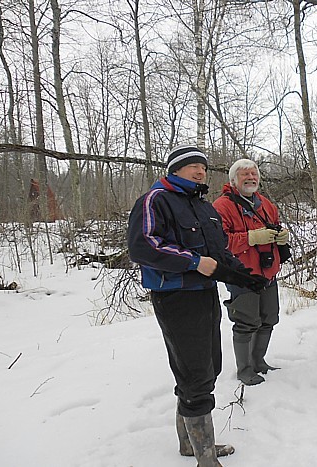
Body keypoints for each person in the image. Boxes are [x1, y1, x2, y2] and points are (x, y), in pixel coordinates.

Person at [127, 144, 267, 467]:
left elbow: (219, 252)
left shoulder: (203, 207)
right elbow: (143, 245)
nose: (201, 171)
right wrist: (192, 261)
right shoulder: (156, 199)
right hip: (175, 296)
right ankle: (205, 458)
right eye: (193, 166)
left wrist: (244, 277)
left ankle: (190, 443)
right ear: (176, 169)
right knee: (196, 374)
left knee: (209, 367)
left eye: (203, 167)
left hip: (205, 294)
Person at [212, 159, 289, 386]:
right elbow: (220, 243)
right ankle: (244, 369)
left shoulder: (265, 203)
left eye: (254, 174)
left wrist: (280, 237)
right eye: (245, 175)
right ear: (233, 180)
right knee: (246, 322)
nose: (251, 178)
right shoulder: (222, 206)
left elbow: (275, 225)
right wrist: (251, 238)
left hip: (268, 272)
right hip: (242, 275)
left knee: (269, 318)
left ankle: (259, 362)